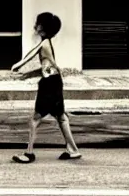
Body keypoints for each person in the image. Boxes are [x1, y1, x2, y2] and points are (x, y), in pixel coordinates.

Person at [11, 12, 81, 164]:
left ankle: (29, 153)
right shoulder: (47, 43)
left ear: (42, 28)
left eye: (37, 23)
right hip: (55, 81)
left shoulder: (43, 43)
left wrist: (16, 66)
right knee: (61, 117)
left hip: (49, 85)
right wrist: (27, 75)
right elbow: (47, 67)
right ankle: (73, 150)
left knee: (35, 119)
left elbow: (29, 56)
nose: (34, 26)